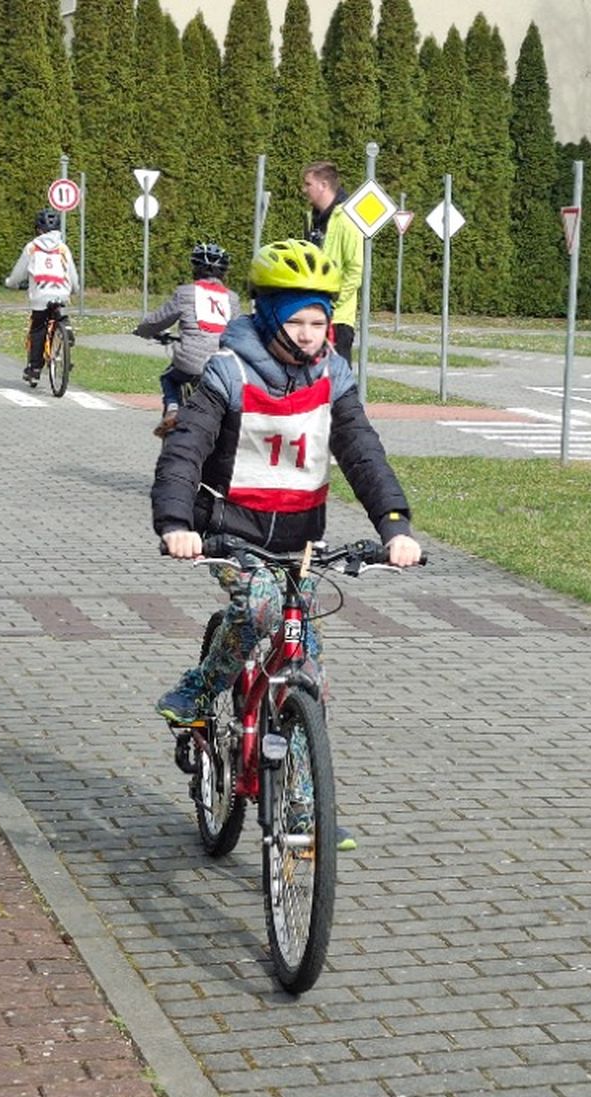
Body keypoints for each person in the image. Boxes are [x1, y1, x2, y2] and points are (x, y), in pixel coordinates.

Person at [151, 240, 422, 846]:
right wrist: (176, 523)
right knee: (259, 606)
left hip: (301, 543)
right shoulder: (229, 371)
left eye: (318, 323)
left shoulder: (333, 376)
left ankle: (303, 807)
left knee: (308, 673)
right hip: (232, 533)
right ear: (270, 315)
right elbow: (185, 449)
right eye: (296, 321)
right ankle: (202, 687)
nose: (308, 335)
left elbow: (363, 454)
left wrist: (394, 526)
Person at [133, 242, 240, 437]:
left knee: (168, 377)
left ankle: (173, 409)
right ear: (224, 272)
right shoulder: (232, 298)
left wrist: (142, 330)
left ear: (195, 268)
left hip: (191, 362)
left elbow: (159, 320)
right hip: (222, 363)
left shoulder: (186, 292)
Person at [4, 209, 79, 386]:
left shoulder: (32, 247)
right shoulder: (63, 248)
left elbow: (18, 274)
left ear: (38, 229)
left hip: (41, 295)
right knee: (59, 314)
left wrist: (10, 283)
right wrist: (74, 289)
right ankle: (65, 328)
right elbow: (72, 275)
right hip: (61, 292)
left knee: (38, 329)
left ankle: (35, 369)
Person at [300, 161, 363, 363]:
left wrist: (332, 303)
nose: (304, 190)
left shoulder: (346, 219)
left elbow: (355, 270)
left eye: (308, 184)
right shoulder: (313, 219)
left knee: (336, 376)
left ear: (324, 185)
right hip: (314, 313)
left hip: (337, 319)